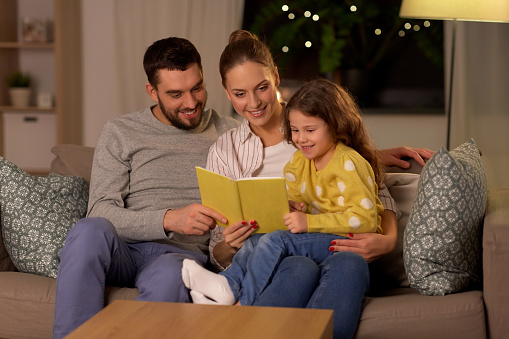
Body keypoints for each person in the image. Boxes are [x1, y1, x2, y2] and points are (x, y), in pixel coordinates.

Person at [183, 30, 434, 339]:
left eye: (262, 87)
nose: (254, 102)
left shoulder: (316, 119)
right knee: (299, 267)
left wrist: (388, 240)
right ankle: (243, 315)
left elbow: (374, 194)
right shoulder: (225, 151)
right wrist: (230, 244)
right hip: (279, 259)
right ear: (225, 91)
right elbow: (218, 250)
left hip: (338, 247)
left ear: (276, 77)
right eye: (240, 94)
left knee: (350, 265)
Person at [52, 37, 241, 338]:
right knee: (88, 230)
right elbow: (100, 210)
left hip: (180, 256)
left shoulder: (232, 133)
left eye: (197, 87)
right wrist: (169, 219)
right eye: (175, 94)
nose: (191, 103)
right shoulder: (120, 131)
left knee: (170, 275)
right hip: (123, 250)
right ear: (152, 91)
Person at [182, 77, 387, 308]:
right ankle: (228, 283)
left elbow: (365, 220)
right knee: (258, 239)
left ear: (336, 125)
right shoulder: (298, 162)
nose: (300, 138)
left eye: (310, 130)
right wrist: (287, 209)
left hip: (347, 240)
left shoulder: (348, 162)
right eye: (295, 130)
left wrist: (308, 222)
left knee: (276, 241)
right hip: (318, 240)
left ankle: (242, 301)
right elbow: (301, 206)